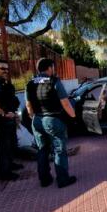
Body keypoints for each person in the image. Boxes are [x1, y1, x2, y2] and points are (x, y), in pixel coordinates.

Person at [25, 58, 77, 188]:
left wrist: (34, 117)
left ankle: (45, 180)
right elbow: (65, 102)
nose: (54, 70)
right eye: (53, 67)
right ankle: (63, 179)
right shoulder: (54, 81)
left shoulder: (30, 83)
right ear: (49, 68)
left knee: (42, 150)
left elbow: (28, 105)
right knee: (59, 150)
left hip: (37, 120)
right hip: (53, 120)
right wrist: (73, 115)